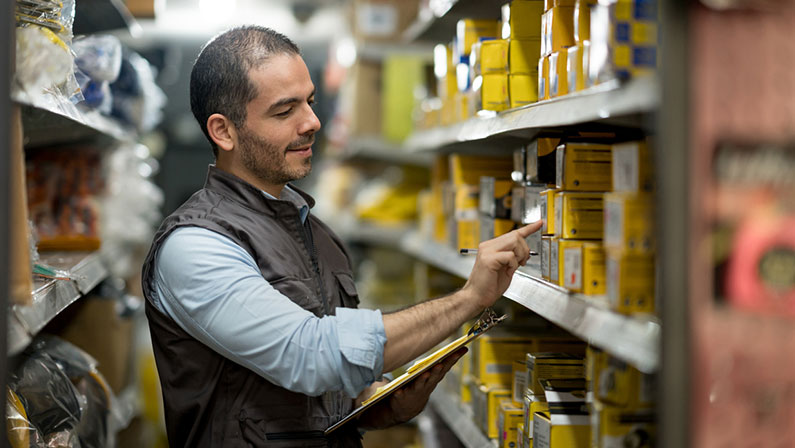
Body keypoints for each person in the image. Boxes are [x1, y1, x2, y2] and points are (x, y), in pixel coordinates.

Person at [140, 25, 542, 447]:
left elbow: (313, 393)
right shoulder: (195, 245)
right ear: (223, 131)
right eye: (284, 111)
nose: (312, 122)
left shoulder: (316, 234)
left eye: (310, 102)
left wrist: (377, 403)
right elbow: (310, 355)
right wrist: (468, 300)